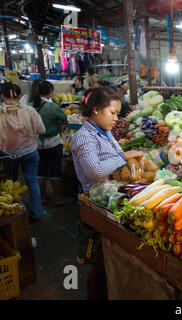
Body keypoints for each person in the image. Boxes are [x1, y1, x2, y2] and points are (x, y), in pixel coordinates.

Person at [71, 87, 142, 300]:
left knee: (114, 255)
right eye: (112, 113)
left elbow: (113, 157)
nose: (116, 118)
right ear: (95, 110)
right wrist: (124, 157)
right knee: (101, 259)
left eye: (118, 113)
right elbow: (96, 170)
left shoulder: (105, 132)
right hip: (98, 200)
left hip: (112, 195)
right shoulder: (83, 137)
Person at [0, 82, 46, 222]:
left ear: (2, 96)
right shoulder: (30, 111)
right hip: (30, 152)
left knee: (10, 185)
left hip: (7, 155)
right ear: (19, 96)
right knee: (32, 182)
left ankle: (14, 215)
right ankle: (36, 214)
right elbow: (42, 130)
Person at [31, 80, 72, 205]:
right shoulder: (53, 107)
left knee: (40, 170)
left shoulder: (30, 106)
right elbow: (64, 120)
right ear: (50, 92)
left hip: (36, 143)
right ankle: (58, 199)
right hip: (53, 143)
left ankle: (42, 198)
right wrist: (60, 127)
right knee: (55, 171)